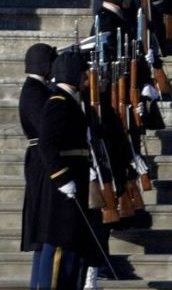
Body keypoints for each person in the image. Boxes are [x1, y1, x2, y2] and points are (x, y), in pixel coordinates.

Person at [29, 52, 95, 290]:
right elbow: (47, 144)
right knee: (60, 246)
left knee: (71, 247)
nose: (86, 77)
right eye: (83, 72)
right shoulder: (58, 102)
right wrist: (62, 178)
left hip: (75, 178)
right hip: (62, 187)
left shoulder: (70, 102)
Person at [20, 43, 57, 258]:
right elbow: (46, 128)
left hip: (40, 156)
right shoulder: (34, 91)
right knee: (43, 216)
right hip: (41, 159)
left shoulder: (40, 89)